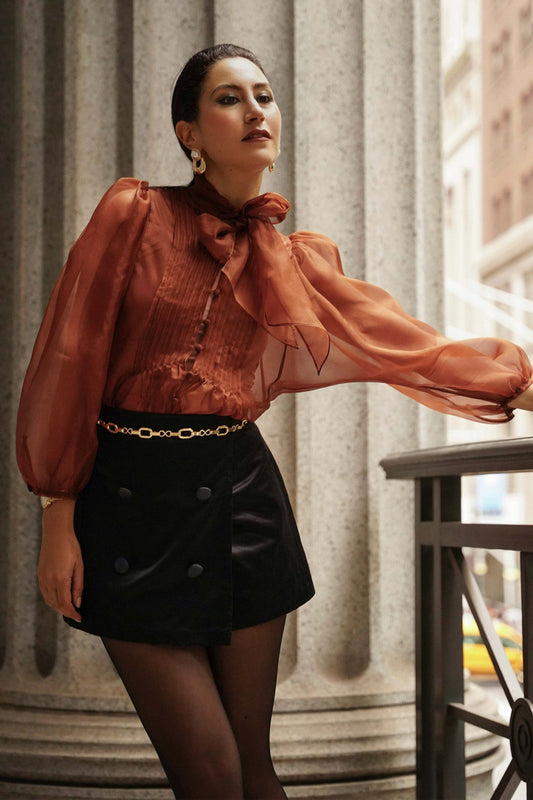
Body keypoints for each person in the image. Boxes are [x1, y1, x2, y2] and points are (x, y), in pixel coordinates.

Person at [15, 43, 533, 800]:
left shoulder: (287, 259)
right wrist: (58, 508)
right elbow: (70, 355)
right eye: (229, 98)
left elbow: (399, 340)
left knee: (253, 770)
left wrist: (520, 384)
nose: (256, 110)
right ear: (189, 133)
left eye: (264, 95)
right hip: (128, 510)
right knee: (211, 773)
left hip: (244, 505)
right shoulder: (133, 214)